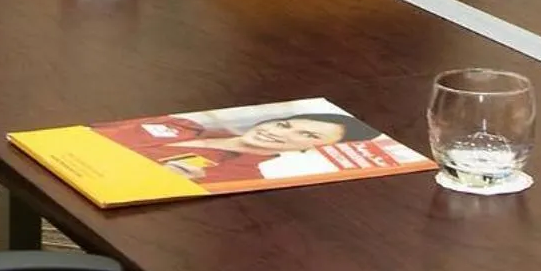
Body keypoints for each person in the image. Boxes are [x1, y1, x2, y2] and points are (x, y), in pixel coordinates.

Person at [97, 110, 382, 185]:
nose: (276, 132)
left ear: (312, 149)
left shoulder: (238, 174)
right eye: (284, 124)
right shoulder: (182, 124)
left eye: (307, 134)